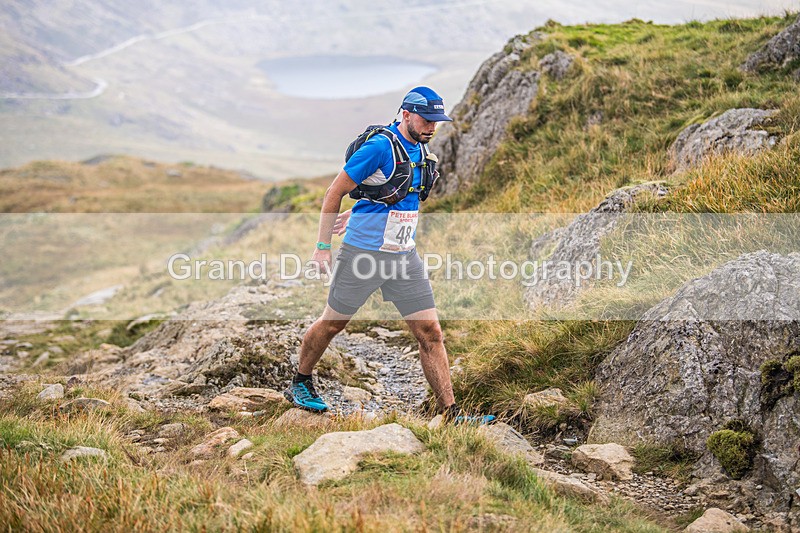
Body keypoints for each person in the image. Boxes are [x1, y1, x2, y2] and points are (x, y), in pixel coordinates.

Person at [283, 86, 494, 425]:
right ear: (406, 114)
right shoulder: (380, 146)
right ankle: (301, 382)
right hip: (362, 254)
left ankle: (451, 414)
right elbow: (334, 192)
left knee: (431, 333)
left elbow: (394, 193)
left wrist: (365, 209)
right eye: (426, 120)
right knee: (333, 323)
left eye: (437, 122)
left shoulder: (421, 150)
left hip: (403, 257)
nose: (431, 128)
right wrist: (323, 248)